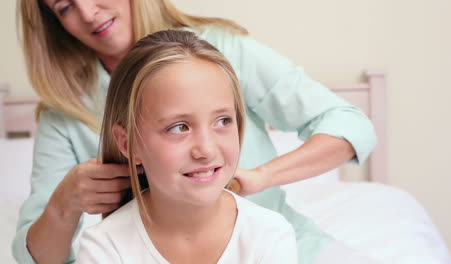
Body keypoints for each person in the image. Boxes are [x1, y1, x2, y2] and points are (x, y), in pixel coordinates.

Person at [13, 0, 377, 263]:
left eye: (223, 120)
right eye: (64, 7)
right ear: (127, 143)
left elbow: (348, 124)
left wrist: (260, 177)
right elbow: (37, 257)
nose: (88, 12)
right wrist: (64, 204)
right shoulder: (65, 117)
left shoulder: (222, 50)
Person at [75, 29, 298, 263]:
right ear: (128, 143)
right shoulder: (105, 247)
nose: (207, 150)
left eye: (222, 121)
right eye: (179, 127)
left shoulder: (269, 234)